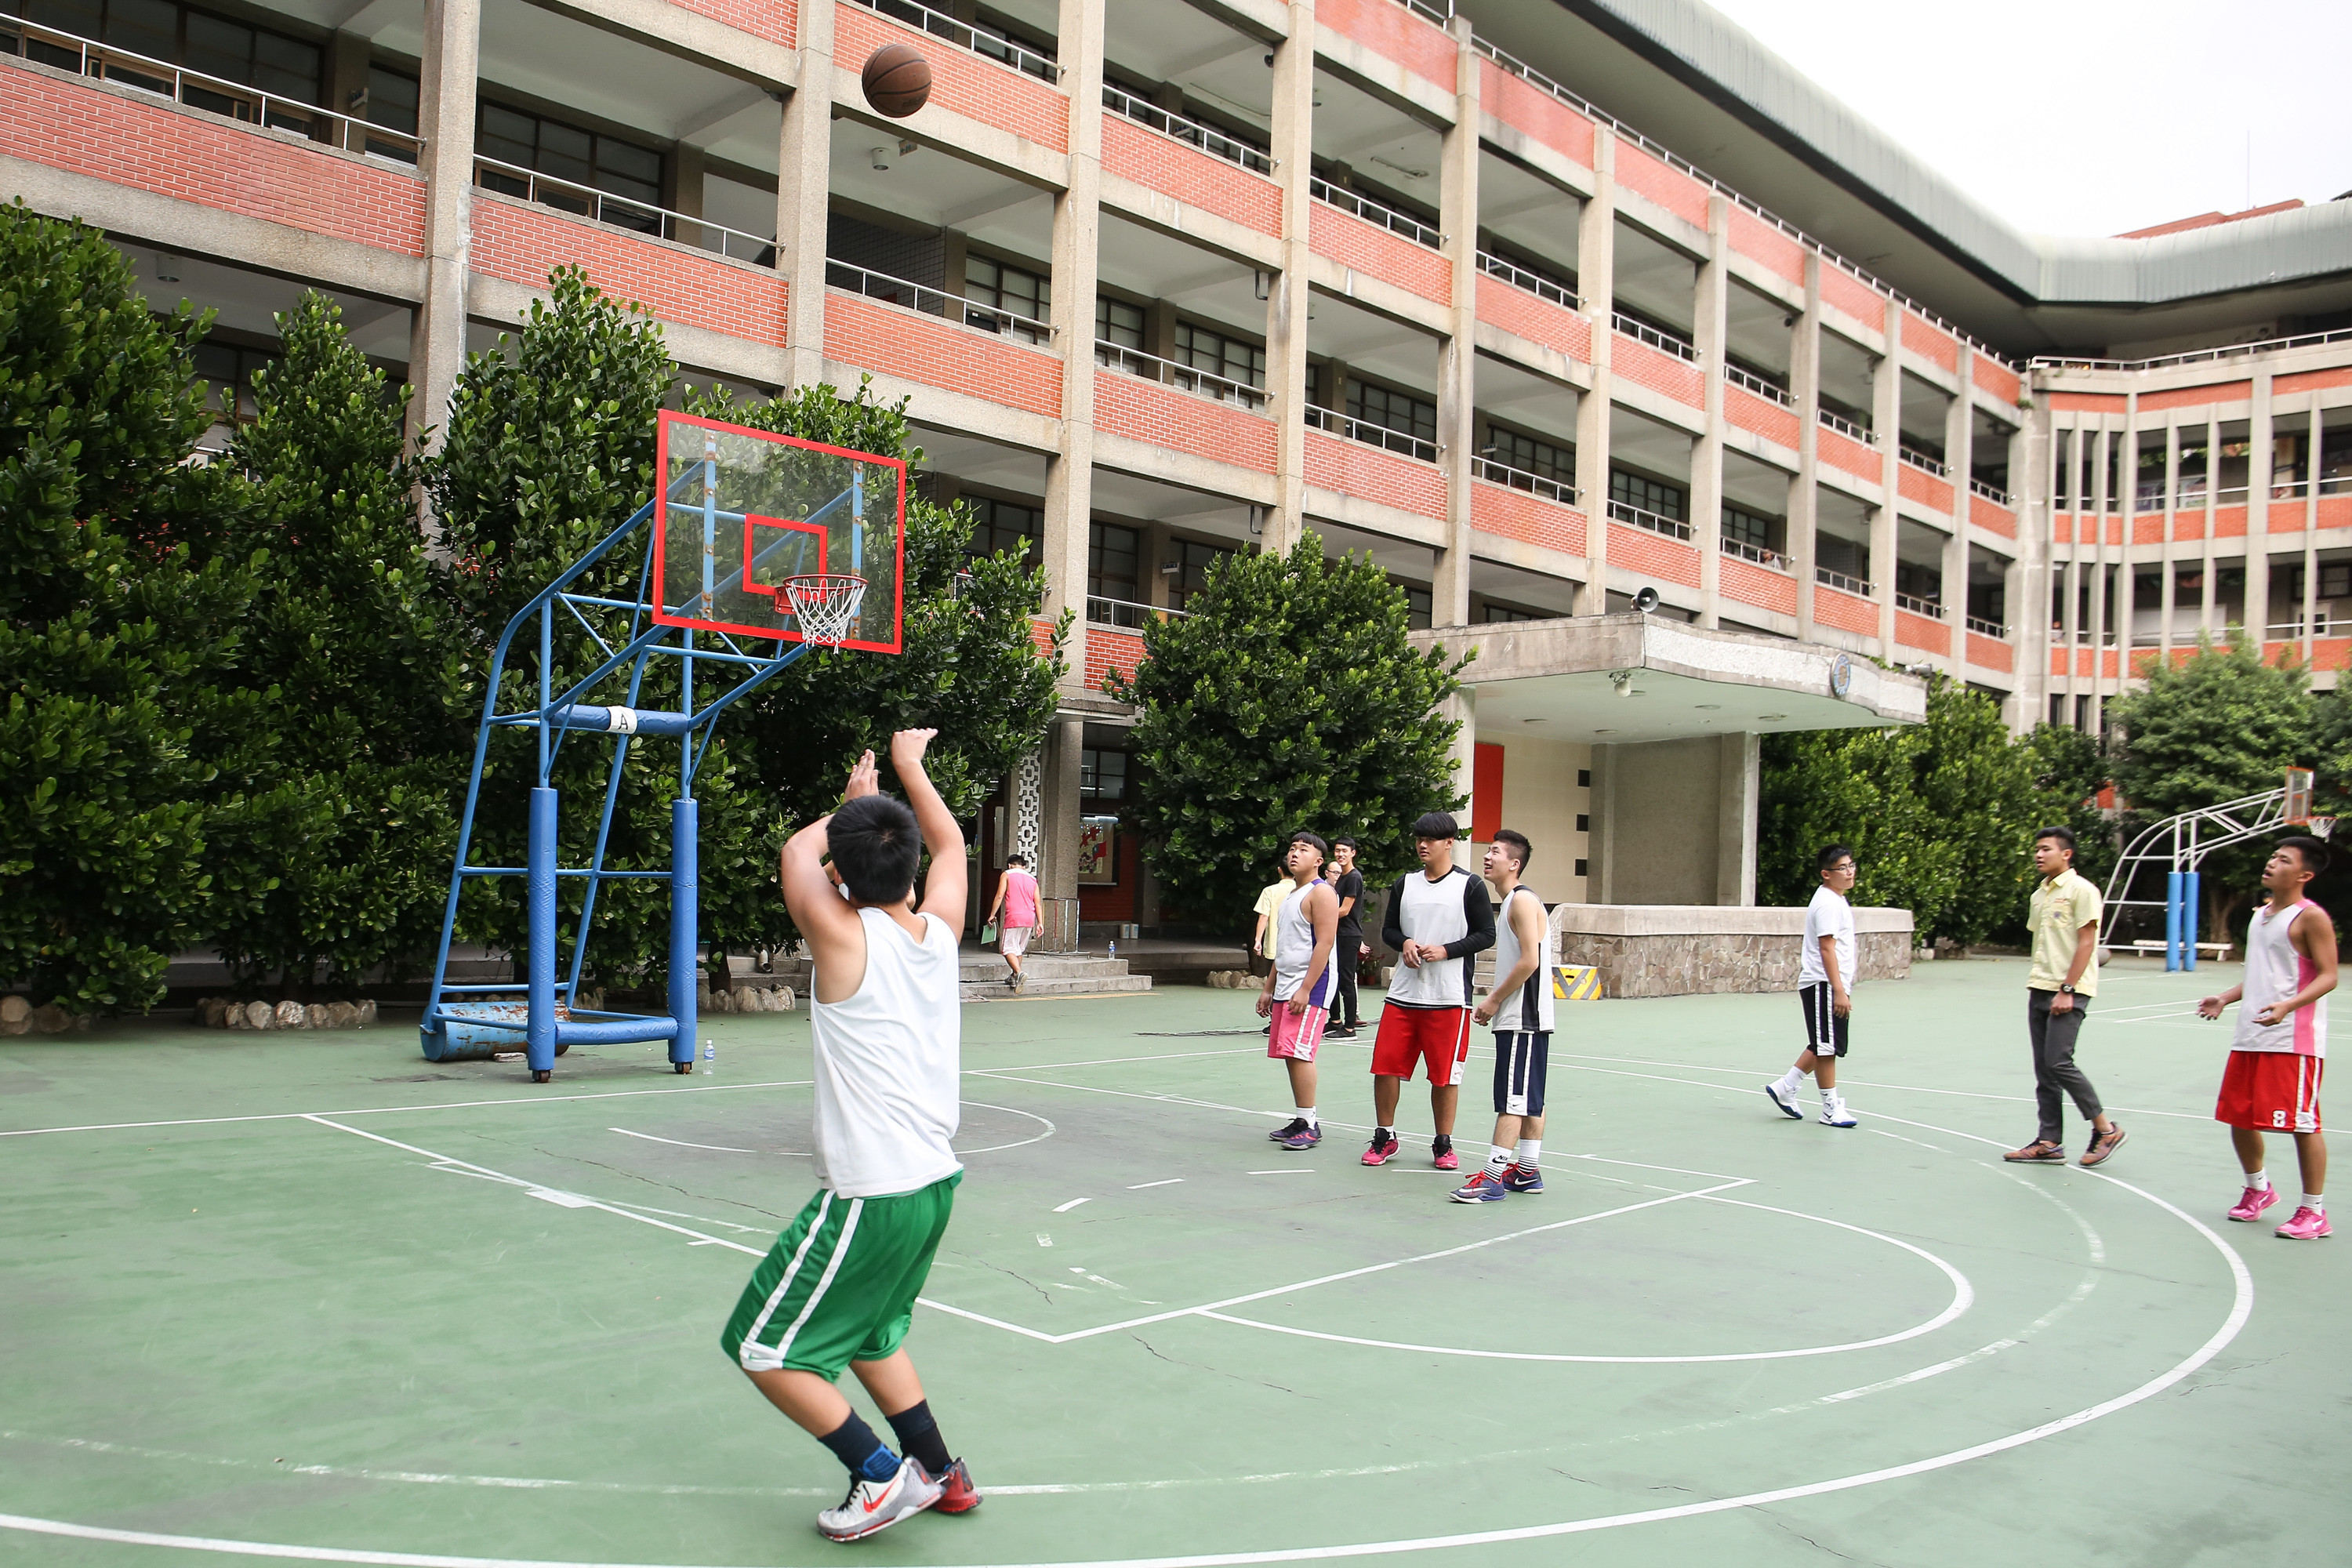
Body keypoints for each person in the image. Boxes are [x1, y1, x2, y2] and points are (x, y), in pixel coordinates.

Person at [721, 731, 979, 1542]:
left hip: (873, 1191)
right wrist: (905, 770)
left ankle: (878, 1475)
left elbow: (798, 854)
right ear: (910, 872)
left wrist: (847, 799)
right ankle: (941, 1469)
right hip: (934, 1184)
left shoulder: (841, 937)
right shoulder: (939, 933)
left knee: (763, 1345)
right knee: (871, 1333)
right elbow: (952, 842)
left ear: (843, 874)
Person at [2197, 836, 2335, 1240]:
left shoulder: (2311, 918)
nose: (2272, 863)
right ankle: (2259, 1190)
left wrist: (2287, 1006)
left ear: (2304, 875)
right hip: (2251, 1035)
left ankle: (2314, 1212)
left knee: (2303, 1124)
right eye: (2273, 857)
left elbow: (2329, 975)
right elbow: (2261, 974)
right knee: (2239, 1117)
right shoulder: (2261, 916)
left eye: (2284, 860)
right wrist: (2224, 997)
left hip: (2293, 1040)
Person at [1366, 811, 1495, 1170]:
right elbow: (1389, 930)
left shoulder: (1470, 886)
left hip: (1449, 999)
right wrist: (1404, 942)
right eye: (1419, 838)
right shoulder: (1404, 883)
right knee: (1386, 1069)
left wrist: (1446, 950)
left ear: (1449, 842)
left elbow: (1487, 934)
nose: (1423, 845)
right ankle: (1385, 1136)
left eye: (1432, 839)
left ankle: (1443, 1143)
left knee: (1444, 1075)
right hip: (1403, 997)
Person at [2005, 825, 2126, 1167]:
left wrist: (2067, 989)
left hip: (2068, 991)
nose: (2038, 855)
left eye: (2046, 849)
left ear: (2066, 854)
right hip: (2040, 987)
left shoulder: (2082, 891)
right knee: (2045, 1069)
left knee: (2059, 1061)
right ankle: (2049, 1142)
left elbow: (2087, 942)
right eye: (2037, 849)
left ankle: (2106, 1129)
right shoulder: (2039, 894)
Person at [1451, 829, 1552, 1201]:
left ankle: (1492, 1179)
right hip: (1526, 1019)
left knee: (1512, 1099)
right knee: (1528, 1099)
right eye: (1487, 851)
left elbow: (1530, 960)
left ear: (1515, 864)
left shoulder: (1522, 902)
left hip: (1523, 1017)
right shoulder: (1513, 901)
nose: (1487, 856)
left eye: (1495, 852)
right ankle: (1526, 1172)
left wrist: (1492, 1000)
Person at [1764, 846, 1861, 1129]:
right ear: (1826, 874)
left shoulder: (1836, 899)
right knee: (1827, 1047)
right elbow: (1826, 949)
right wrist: (1839, 990)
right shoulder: (1828, 904)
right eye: (1842, 868)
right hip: (1823, 984)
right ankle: (1830, 1108)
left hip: (1827, 985)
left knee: (1823, 1044)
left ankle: (1786, 1086)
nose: (1850, 871)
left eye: (1851, 865)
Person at [1261, 831, 1342, 1152]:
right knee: (1289, 1053)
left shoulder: (1322, 893)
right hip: (1287, 984)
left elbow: (1325, 942)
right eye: (1292, 848)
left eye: (1303, 850)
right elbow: (1285, 948)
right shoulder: (1291, 895)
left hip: (1311, 986)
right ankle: (1302, 1117)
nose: (1295, 853)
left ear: (1319, 861)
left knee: (1300, 1052)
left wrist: (1307, 988)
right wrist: (1269, 988)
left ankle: (1310, 1124)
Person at [1327, 837, 1367, 1038]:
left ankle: (1350, 1027)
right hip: (1338, 934)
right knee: (1333, 978)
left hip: (1348, 936)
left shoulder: (1353, 877)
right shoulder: (1342, 877)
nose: (1340, 854)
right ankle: (1335, 1020)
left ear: (1353, 853)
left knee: (1346, 980)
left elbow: (1344, 910)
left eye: (1344, 851)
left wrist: (1320, 915)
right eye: (1337, 851)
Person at [982, 851, 1038, 993]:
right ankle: (1014, 976)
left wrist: (992, 915)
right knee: (1018, 949)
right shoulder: (1033, 879)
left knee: (1007, 949)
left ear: (1009, 865)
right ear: (1024, 866)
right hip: (1029, 919)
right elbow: (1037, 902)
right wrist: (1041, 923)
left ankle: (1019, 973)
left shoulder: (1007, 874)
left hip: (1014, 916)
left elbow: (1000, 895)